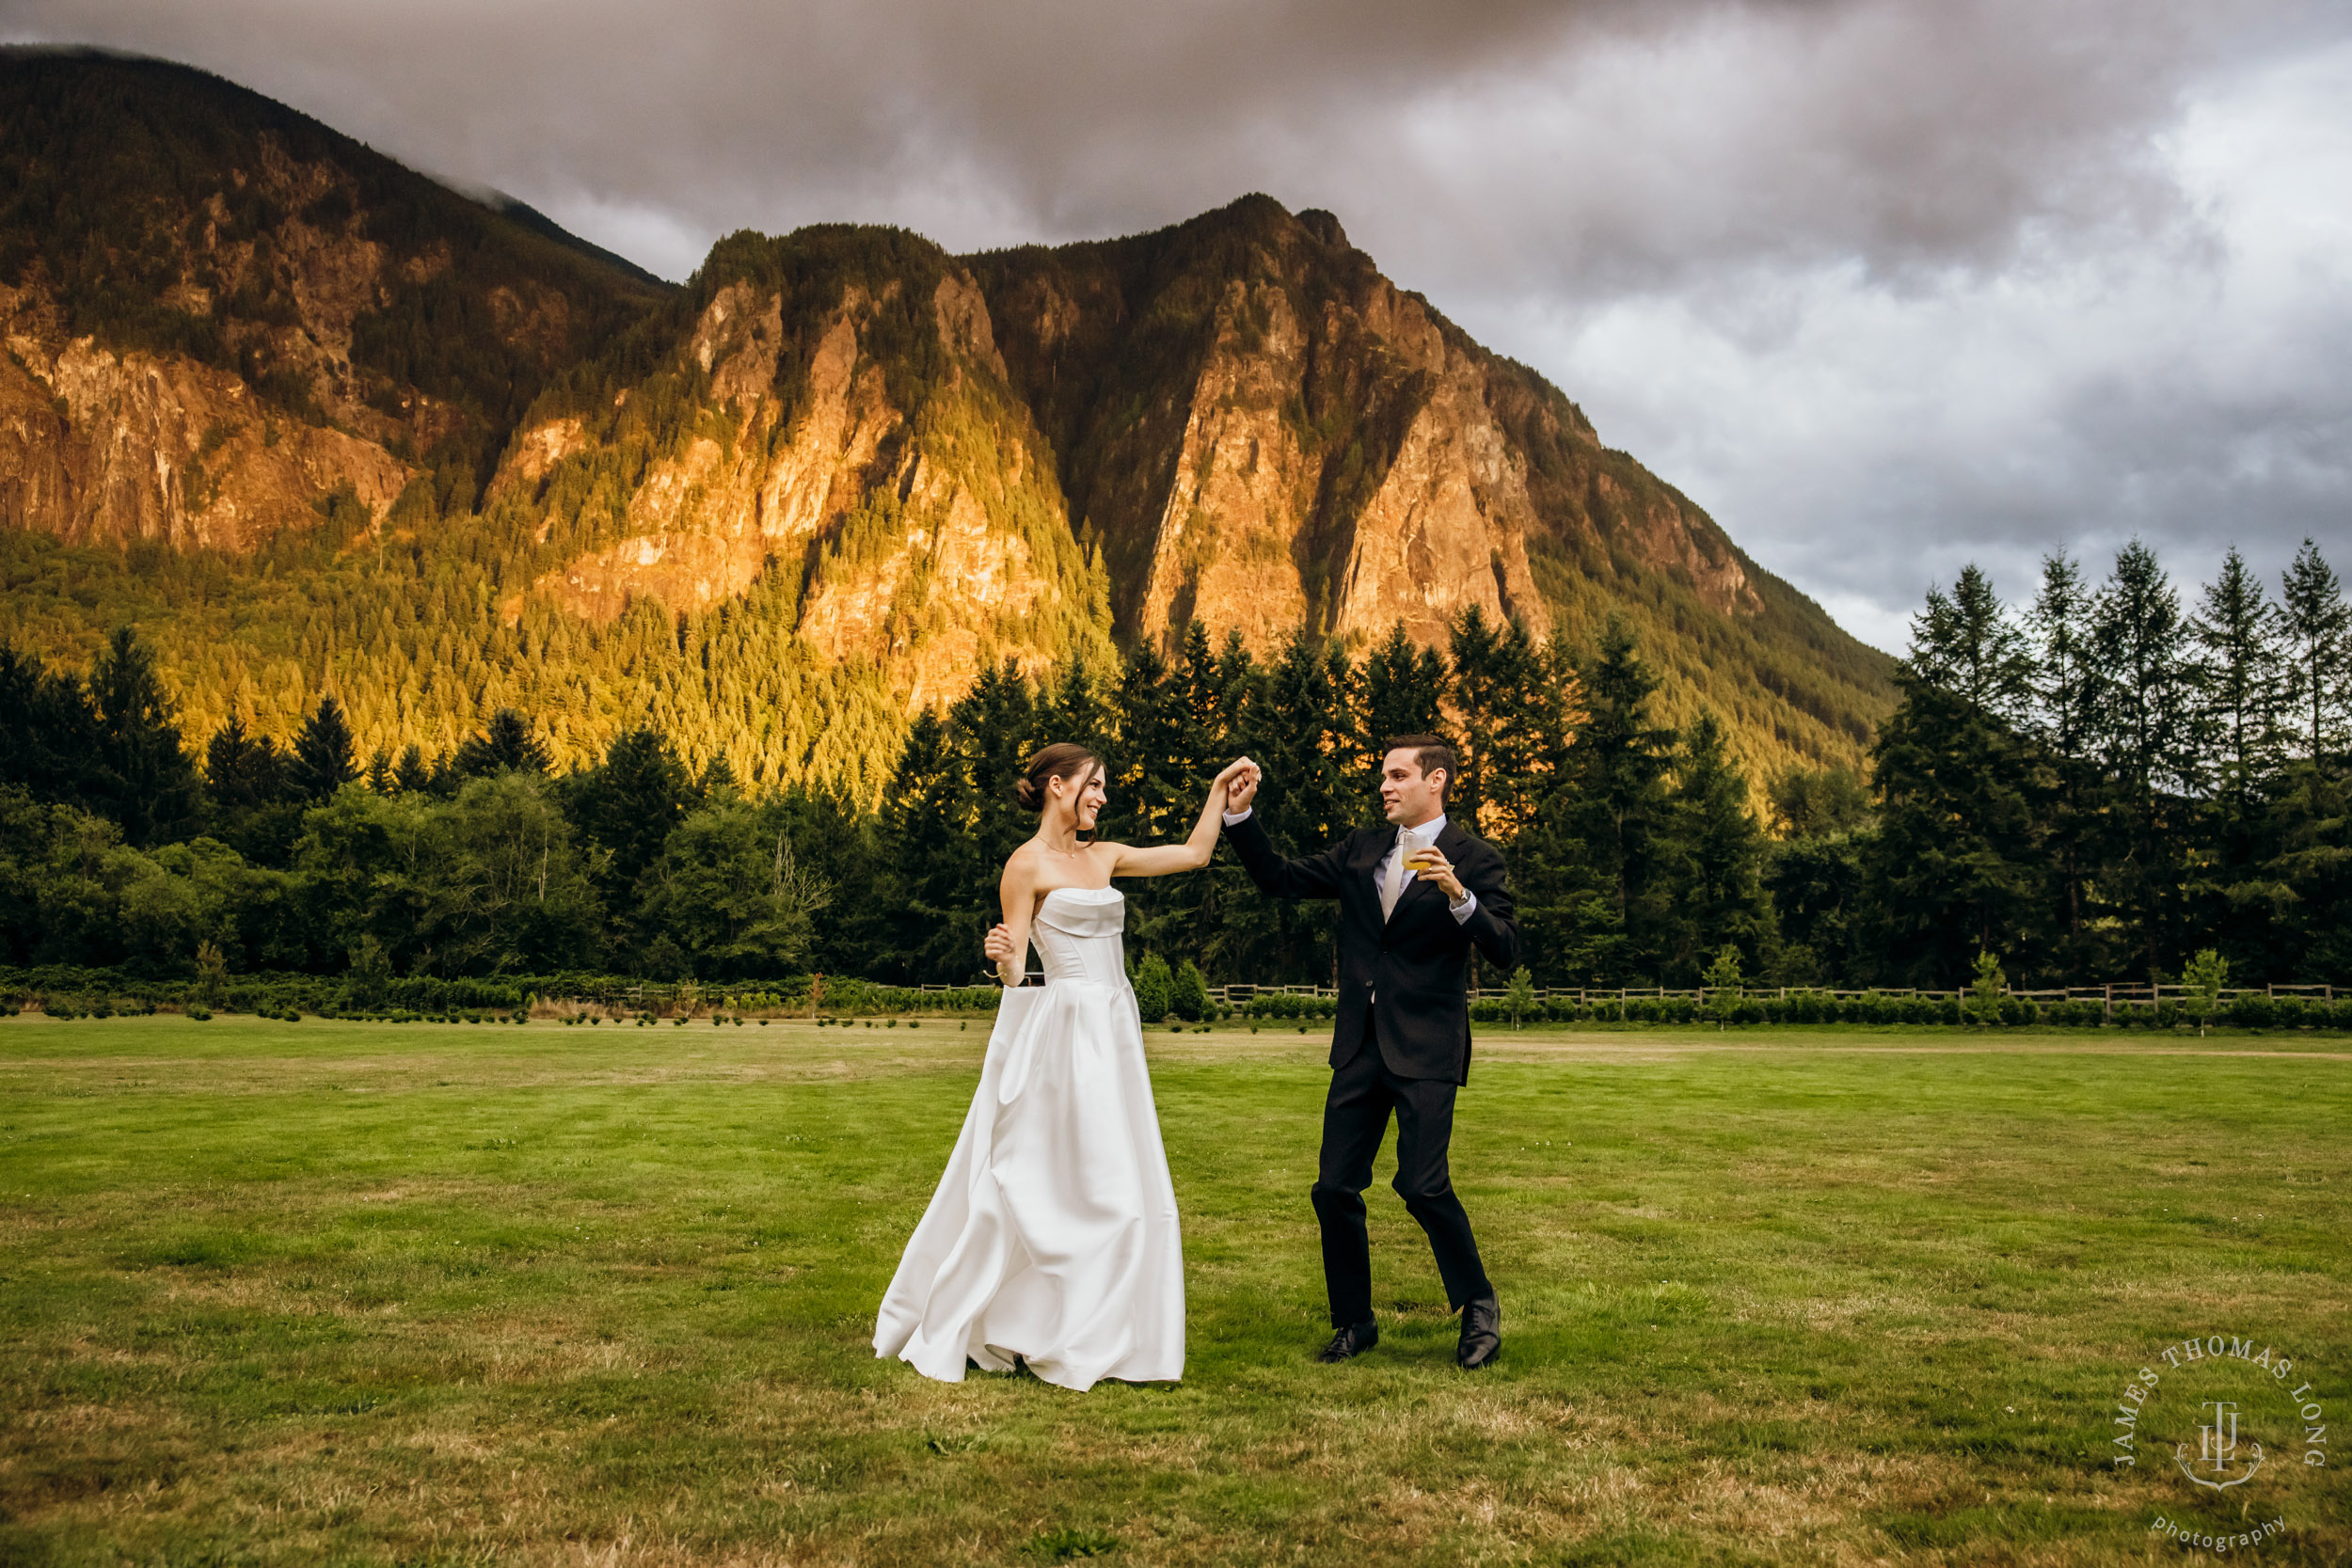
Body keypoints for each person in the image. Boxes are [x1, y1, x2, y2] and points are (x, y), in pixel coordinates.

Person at [873, 743, 1252, 1390]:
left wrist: (1220, 796)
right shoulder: (1025, 865)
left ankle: (1096, 1325)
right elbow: (1020, 972)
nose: (1103, 796)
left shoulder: (1103, 856)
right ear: (1058, 785)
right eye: (1094, 785)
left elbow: (1192, 854)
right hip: (1066, 1028)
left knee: (1118, 1176)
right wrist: (1000, 955)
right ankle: (1032, 1316)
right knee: (1055, 1177)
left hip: (1115, 1026)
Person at [1220, 736, 1517, 1369]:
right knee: (1332, 1188)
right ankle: (1355, 1321)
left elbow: (1506, 949)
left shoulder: (1475, 858)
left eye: (1398, 774)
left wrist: (1460, 895)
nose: (1384, 785)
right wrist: (1241, 817)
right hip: (1359, 1044)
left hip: (1428, 1046)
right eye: (1383, 775)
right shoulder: (1361, 849)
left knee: (1421, 1182)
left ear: (1436, 780)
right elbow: (1281, 879)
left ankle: (1479, 1304)